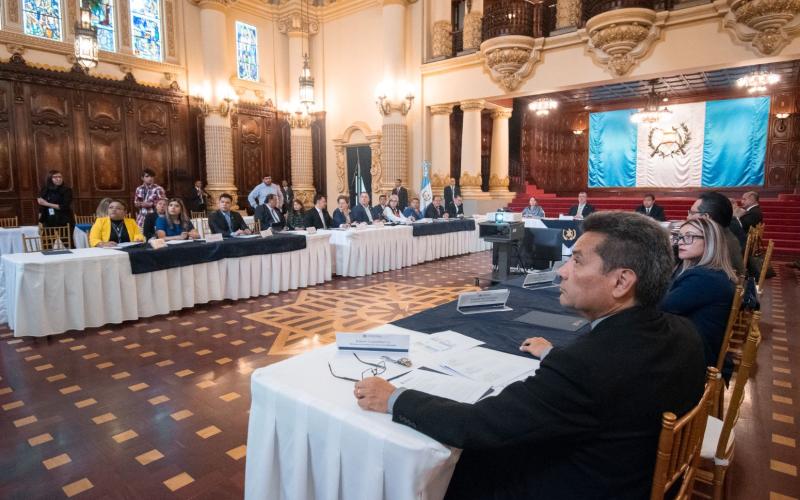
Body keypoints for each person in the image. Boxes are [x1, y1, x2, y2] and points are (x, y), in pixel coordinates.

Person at [353, 211, 706, 499]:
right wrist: (553, 355)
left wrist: (395, 397)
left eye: (577, 262)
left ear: (621, 282)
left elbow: (477, 426)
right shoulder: (684, 333)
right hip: (633, 475)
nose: (561, 270)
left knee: (461, 469)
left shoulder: (586, 367)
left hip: (582, 485)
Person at [662, 217, 736, 379]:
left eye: (688, 237)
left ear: (710, 241)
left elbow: (662, 307)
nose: (680, 242)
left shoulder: (703, 278)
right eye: (679, 237)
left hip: (698, 362)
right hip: (701, 349)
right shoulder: (712, 273)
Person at [688, 191, 745, 277]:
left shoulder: (714, 245)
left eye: (692, 213)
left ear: (706, 217)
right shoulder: (723, 234)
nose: (688, 217)